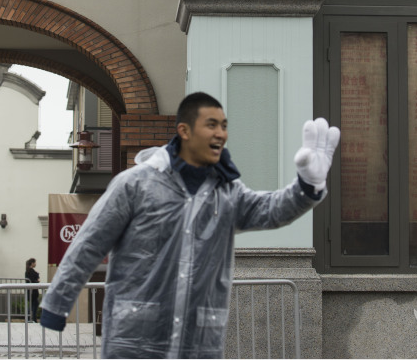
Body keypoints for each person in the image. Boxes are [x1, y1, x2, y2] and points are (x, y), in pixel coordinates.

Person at [40, 92, 339, 358]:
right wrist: (57, 305)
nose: (221, 134)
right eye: (211, 125)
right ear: (184, 130)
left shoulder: (227, 193)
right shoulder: (134, 185)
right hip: (134, 341)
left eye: (224, 126)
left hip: (199, 344)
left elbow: (271, 210)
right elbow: (88, 245)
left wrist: (307, 187)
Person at [25, 258, 41, 322]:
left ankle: (30, 318)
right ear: (32, 263)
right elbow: (32, 281)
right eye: (35, 262)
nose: (35, 264)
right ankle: (32, 319)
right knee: (34, 305)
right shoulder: (30, 271)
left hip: (31, 291)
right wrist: (37, 280)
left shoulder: (28, 271)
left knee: (32, 304)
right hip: (33, 291)